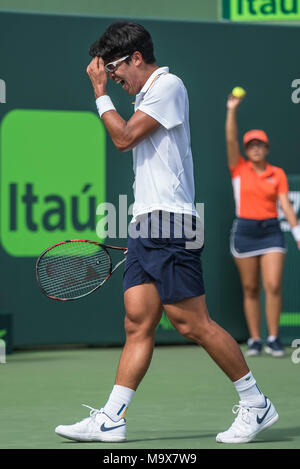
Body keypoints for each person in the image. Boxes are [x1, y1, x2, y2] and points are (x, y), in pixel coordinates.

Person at [55, 21, 279, 444]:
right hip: (145, 222)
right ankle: (112, 418)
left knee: (191, 323)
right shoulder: (144, 95)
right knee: (138, 322)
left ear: (136, 57)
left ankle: (256, 403)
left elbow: (122, 139)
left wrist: (99, 93)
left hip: (171, 222)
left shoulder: (167, 85)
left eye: (115, 68)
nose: (112, 76)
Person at [226, 91, 300, 358]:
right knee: (250, 288)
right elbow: (231, 139)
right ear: (246, 150)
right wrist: (231, 109)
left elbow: (286, 205)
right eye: (251, 145)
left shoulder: (276, 173)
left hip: (271, 232)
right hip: (245, 231)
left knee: (273, 285)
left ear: (266, 149)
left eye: (260, 144)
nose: (255, 148)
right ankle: (255, 339)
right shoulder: (239, 169)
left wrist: (297, 231)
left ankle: (273, 338)